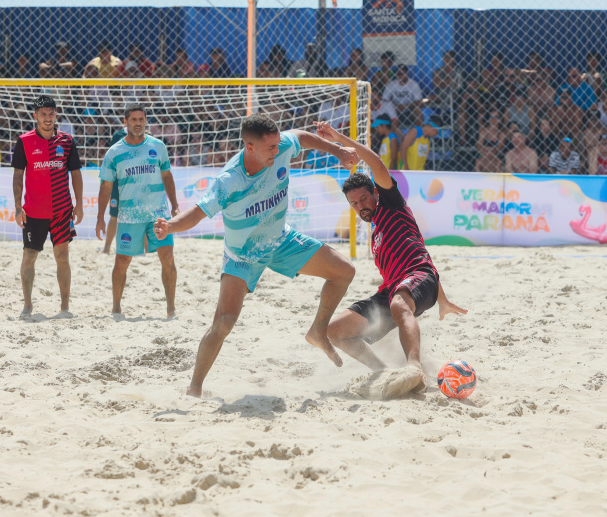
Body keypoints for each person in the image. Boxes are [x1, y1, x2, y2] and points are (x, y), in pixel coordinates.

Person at [151, 114, 359, 397]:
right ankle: (195, 388)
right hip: (242, 256)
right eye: (270, 147)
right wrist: (170, 226)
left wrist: (337, 150)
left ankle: (318, 331)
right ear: (250, 147)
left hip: (280, 241)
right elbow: (198, 213)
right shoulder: (229, 180)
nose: (277, 150)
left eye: (277, 144)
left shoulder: (281, 146)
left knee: (344, 271)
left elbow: (300, 136)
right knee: (224, 323)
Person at [314, 121, 467, 397]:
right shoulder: (376, 233)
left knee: (399, 301)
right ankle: (383, 372)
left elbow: (375, 163)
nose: (361, 206)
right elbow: (420, 249)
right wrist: (442, 300)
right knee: (334, 331)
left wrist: (338, 138)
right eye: (354, 203)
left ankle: (414, 368)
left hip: (416, 282)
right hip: (394, 291)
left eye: (364, 198)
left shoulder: (391, 204)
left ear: (375, 192)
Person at [96, 104, 179, 318]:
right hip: (129, 216)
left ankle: (171, 309)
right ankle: (116, 307)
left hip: (158, 214)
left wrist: (175, 204)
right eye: (133, 119)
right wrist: (100, 217)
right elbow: (105, 186)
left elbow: (167, 176)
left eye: (141, 119)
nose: (138, 123)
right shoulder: (115, 152)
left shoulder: (158, 146)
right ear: (125, 122)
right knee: (122, 262)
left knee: (168, 257)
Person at [11, 95, 84, 317]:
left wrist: (79, 204)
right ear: (35, 116)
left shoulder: (66, 141)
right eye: (43, 114)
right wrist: (18, 207)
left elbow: (76, 174)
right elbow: (18, 176)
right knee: (29, 255)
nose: (47, 117)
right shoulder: (24, 141)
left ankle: (65, 307)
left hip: (62, 210)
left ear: (56, 115)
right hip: (33, 212)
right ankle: (28, 305)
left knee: (62, 256)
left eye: (51, 113)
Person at [102, 125, 128, 254]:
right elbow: (112, 159)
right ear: (126, 120)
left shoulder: (147, 135)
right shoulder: (118, 136)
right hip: (119, 181)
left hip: (137, 181)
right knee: (114, 215)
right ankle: (107, 247)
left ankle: (145, 250)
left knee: (142, 217)